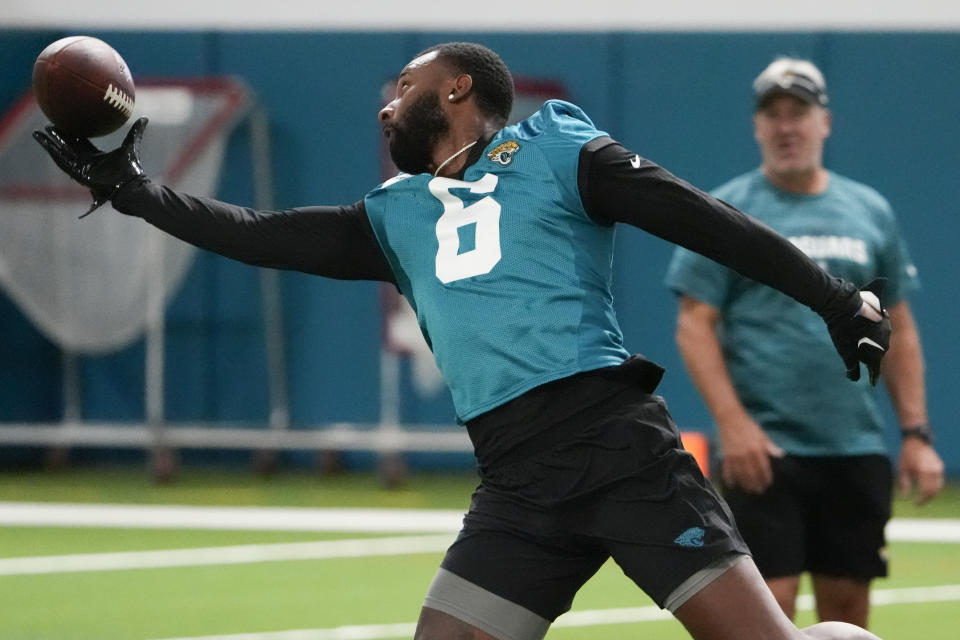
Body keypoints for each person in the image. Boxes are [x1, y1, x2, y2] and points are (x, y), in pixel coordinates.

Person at [34, 42, 890, 640]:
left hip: (617, 448)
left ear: (455, 91)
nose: (383, 104)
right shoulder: (393, 216)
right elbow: (261, 233)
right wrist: (139, 191)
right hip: (517, 478)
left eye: (403, 85)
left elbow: (703, 219)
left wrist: (831, 295)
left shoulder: (555, 145)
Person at [665, 57, 944, 630]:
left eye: (800, 113)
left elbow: (901, 328)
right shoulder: (725, 210)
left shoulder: (869, 210)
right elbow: (695, 324)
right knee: (768, 615)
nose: (787, 127)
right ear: (757, 127)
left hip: (853, 446)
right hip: (767, 450)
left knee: (848, 615)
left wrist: (915, 433)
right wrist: (733, 424)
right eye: (774, 115)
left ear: (825, 123)